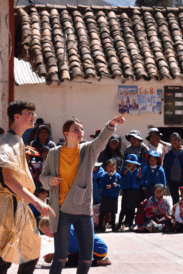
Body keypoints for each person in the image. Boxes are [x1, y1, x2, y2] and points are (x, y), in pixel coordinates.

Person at [40, 113, 125, 274]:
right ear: (66, 134)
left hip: (84, 210)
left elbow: (101, 140)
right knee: (60, 257)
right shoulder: (54, 153)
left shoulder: (88, 150)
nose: (80, 132)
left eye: (81, 129)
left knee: (87, 258)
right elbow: (43, 177)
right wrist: (50, 180)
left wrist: (111, 124)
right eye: (75, 129)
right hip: (61, 211)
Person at [0, 101, 54, 274]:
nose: (33, 116)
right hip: (9, 205)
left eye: (34, 113)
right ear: (16, 117)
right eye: (29, 113)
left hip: (16, 204)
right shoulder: (6, 141)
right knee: (8, 255)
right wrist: (37, 202)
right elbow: (9, 180)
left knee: (27, 252)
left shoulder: (16, 140)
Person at [39, 218, 111, 268]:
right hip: (88, 248)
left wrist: (53, 256)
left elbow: (70, 251)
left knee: (70, 261)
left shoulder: (66, 232)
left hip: (98, 250)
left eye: (46, 232)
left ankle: (99, 262)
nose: (46, 235)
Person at [163, 133, 183, 205]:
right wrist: (167, 179)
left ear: (180, 140)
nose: (173, 142)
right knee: (175, 200)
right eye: (171, 140)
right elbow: (166, 166)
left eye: (175, 140)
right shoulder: (169, 153)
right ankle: (176, 214)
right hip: (172, 181)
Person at [117, 153, 143, 231]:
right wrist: (124, 175)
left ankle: (131, 224)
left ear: (135, 164)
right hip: (126, 190)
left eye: (131, 163)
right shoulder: (123, 170)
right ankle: (119, 224)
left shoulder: (138, 171)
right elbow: (119, 179)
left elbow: (140, 183)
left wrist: (139, 178)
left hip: (134, 191)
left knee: (132, 208)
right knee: (123, 208)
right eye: (128, 163)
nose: (129, 165)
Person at [98, 159, 122, 232]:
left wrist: (116, 185)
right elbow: (100, 184)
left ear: (115, 167)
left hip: (113, 196)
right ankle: (101, 226)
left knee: (113, 212)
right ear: (106, 168)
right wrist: (105, 186)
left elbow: (121, 185)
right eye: (109, 166)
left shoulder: (117, 176)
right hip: (105, 196)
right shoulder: (103, 175)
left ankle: (113, 227)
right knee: (103, 212)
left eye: (112, 166)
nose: (111, 168)